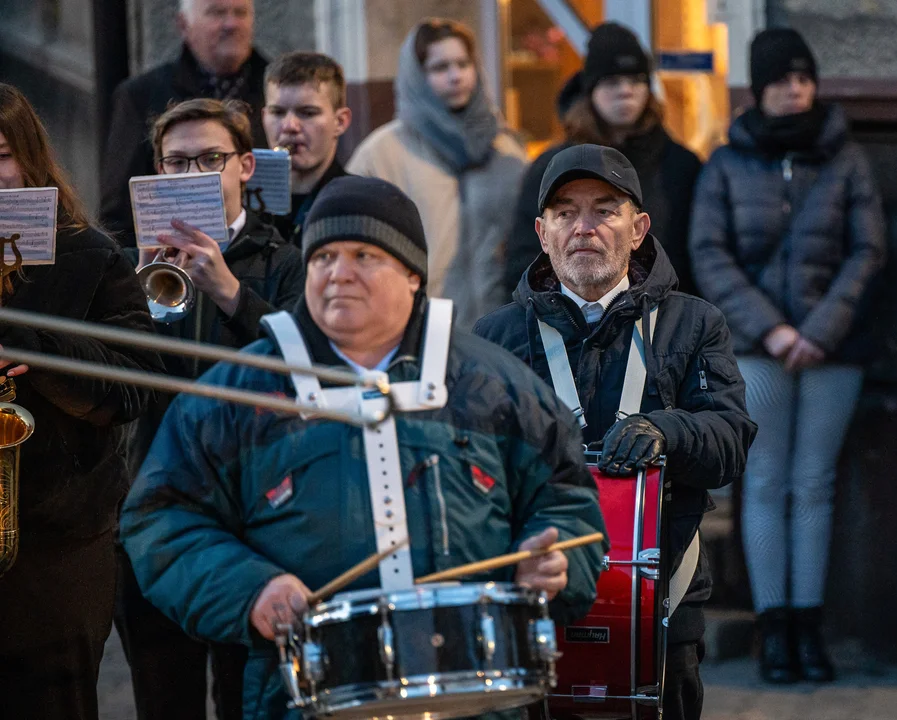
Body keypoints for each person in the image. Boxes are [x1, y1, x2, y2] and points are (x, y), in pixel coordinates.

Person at [119, 175, 607, 720]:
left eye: (364, 255)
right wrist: (250, 590)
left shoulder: (496, 385)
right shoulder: (241, 394)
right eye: (323, 256)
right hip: (300, 700)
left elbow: (567, 504)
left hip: (476, 700)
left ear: (412, 275)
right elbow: (160, 521)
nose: (338, 273)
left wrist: (559, 561)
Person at [475, 144, 757, 720]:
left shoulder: (695, 323)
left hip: (664, 603)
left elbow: (730, 444)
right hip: (533, 600)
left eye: (604, 210)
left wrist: (669, 430)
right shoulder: (495, 337)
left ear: (638, 228)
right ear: (542, 232)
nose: (584, 227)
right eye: (564, 212)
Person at [688, 28, 886, 684]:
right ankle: (775, 630)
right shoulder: (726, 163)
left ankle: (809, 625)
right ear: (760, 86)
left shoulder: (846, 159)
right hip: (757, 351)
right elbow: (710, 254)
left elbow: (868, 250)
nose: (794, 89)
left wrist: (820, 329)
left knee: (815, 483)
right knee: (767, 481)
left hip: (833, 351)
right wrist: (772, 330)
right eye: (780, 79)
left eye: (803, 77)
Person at [115, 97, 304, 720]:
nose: (193, 175)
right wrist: (131, 303)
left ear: (246, 165)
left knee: (244, 697)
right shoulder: (132, 269)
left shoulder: (286, 261)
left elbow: (303, 372)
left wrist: (228, 290)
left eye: (210, 159)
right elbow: (116, 388)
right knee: (162, 697)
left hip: (252, 513)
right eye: (176, 162)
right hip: (157, 504)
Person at [0, 82, 162, 720]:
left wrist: (40, 352)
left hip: (56, 550)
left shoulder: (88, 256)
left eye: (1, 155)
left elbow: (135, 383)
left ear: (31, 161)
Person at [347, 18, 526, 329]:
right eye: (440, 67)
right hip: (417, 330)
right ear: (417, 76)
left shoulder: (506, 150)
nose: (455, 76)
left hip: (501, 329)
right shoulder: (381, 154)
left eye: (463, 63)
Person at [504, 22, 703, 298]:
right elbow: (524, 258)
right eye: (612, 82)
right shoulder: (554, 167)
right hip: (570, 322)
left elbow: (699, 254)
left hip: (663, 319)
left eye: (636, 80)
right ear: (591, 91)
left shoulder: (681, 166)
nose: (626, 91)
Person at [100, 0, 268, 246]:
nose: (231, 24)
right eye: (217, 13)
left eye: (240, 13)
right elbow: (118, 211)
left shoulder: (277, 92)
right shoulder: (140, 95)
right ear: (183, 25)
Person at [261, 51, 351, 248]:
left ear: (340, 122)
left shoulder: (358, 205)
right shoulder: (243, 207)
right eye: (277, 112)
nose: (290, 125)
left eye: (307, 113)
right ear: (263, 117)